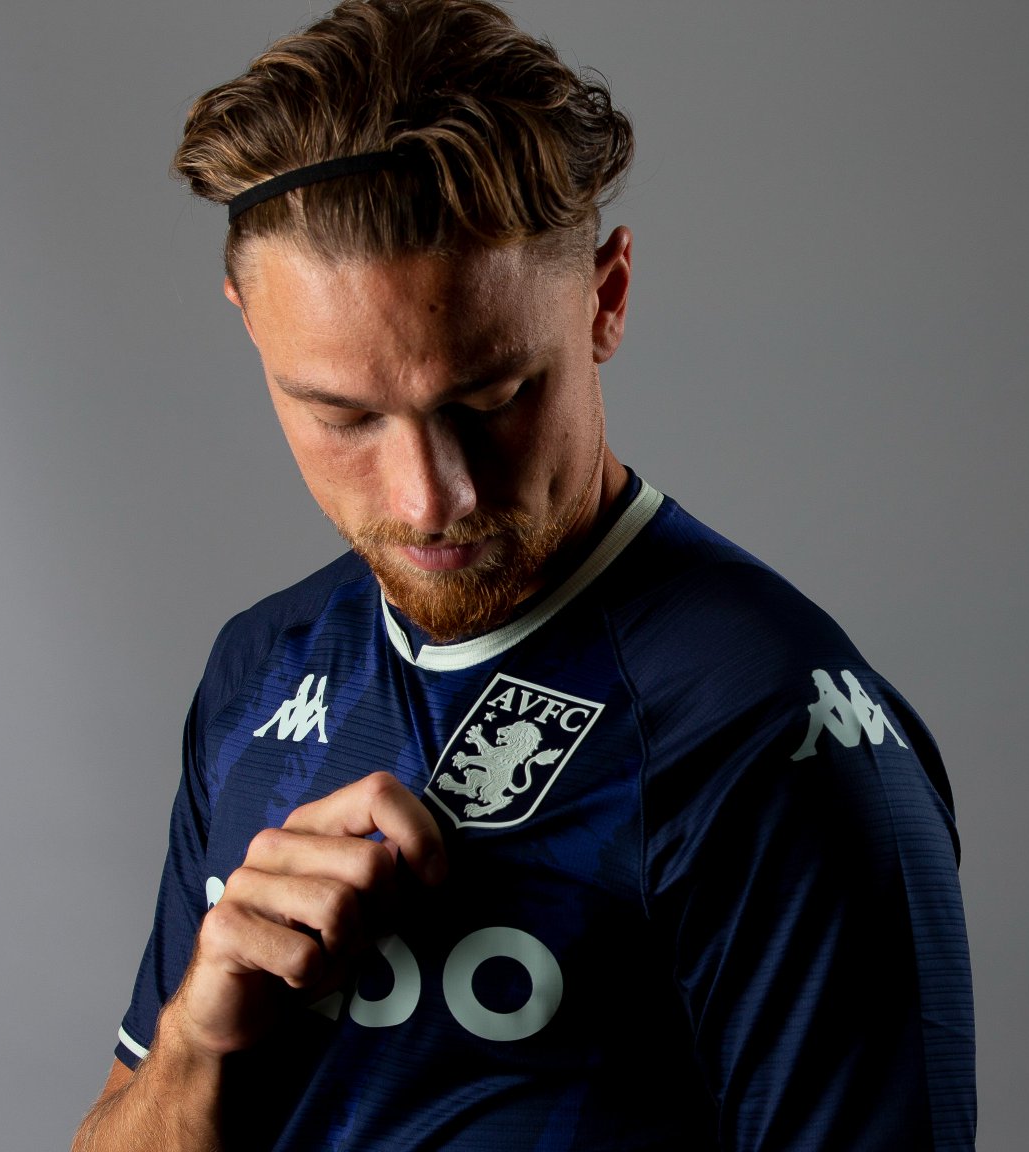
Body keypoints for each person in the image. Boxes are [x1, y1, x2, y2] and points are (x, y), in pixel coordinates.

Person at [72, 2, 974, 1148]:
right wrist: (198, 1045)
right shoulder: (260, 669)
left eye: (491, 399)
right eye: (342, 416)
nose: (426, 498)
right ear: (250, 325)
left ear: (605, 298)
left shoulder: (766, 729)